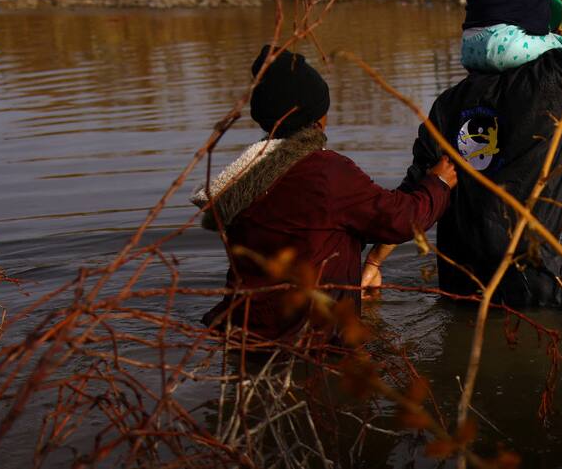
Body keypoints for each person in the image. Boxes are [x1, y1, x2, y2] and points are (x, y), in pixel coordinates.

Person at [364, 0, 562, 309]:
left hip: (466, 290)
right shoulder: (555, 83)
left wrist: (374, 262)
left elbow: (416, 195)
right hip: (548, 291)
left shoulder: (448, 104)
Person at [193, 45, 456, 342]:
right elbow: (400, 218)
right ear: (318, 119)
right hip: (310, 343)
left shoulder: (245, 176)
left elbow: (319, 228)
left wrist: (364, 269)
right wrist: (439, 183)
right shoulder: (326, 172)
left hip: (243, 336)